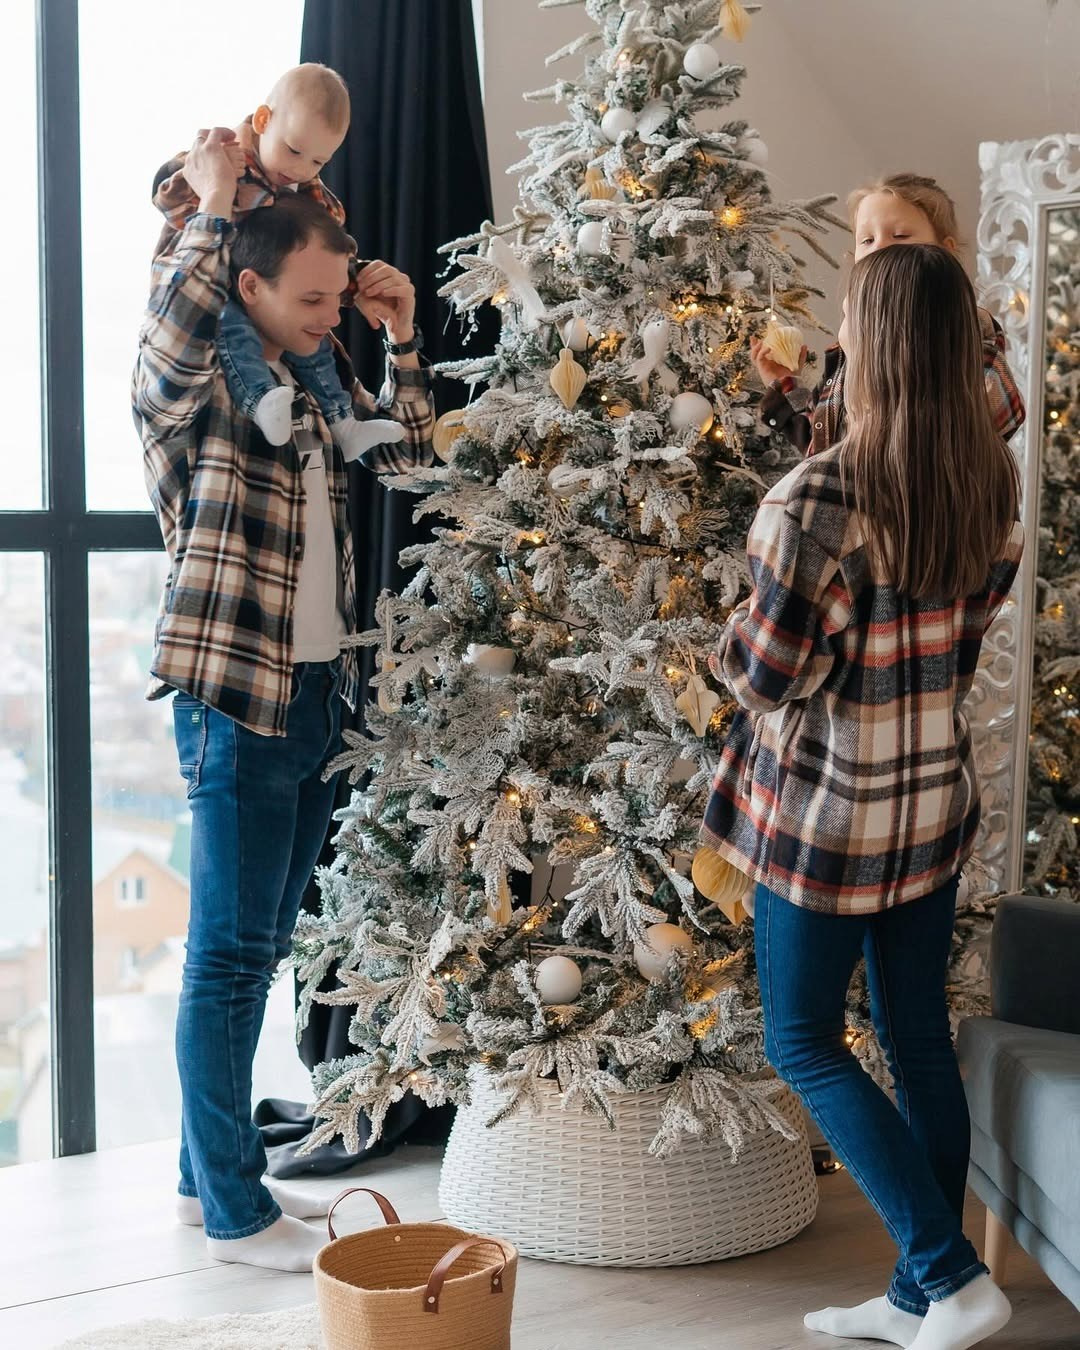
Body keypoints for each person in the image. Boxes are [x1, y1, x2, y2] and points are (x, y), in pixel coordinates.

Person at [703, 244, 1023, 1350]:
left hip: (830, 820)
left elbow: (768, 676)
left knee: (800, 1039)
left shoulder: (816, 499)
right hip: (929, 802)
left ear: (873, 346)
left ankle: (948, 1274)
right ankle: (914, 1298)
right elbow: (961, 650)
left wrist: (724, 637)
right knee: (915, 1039)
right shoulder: (990, 478)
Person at [132, 126, 434, 1272]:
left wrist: (400, 338)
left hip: (316, 698)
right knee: (225, 959)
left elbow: (405, 463)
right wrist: (212, 210)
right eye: (309, 299)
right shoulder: (201, 390)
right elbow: (163, 348)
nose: (327, 315)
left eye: (334, 298)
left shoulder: (312, 382)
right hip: (234, 703)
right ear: (245, 282)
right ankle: (233, 1213)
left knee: (254, 956)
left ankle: (202, 1181)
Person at [153, 62, 404, 458]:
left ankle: (345, 422)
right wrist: (215, 188)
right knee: (231, 326)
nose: (300, 169)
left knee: (321, 350)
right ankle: (260, 397)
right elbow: (166, 198)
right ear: (264, 120)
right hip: (215, 294)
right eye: (294, 150)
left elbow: (329, 249)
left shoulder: (307, 193)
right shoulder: (225, 161)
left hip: (269, 312)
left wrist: (361, 292)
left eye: (318, 162)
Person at [751, 172, 1025, 456]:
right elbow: (822, 445)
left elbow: (997, 422)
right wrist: (784, 383)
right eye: (867, 240)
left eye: (900, 236)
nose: (879, 247)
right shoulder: (850, 342)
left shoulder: (967, 333)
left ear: (944, 253)